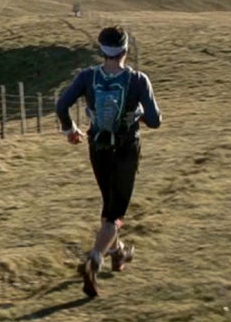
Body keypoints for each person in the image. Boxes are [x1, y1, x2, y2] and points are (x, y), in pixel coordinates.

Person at [55, 25, 161, 297]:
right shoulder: (138, 80)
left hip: (98, 148)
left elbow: (61, 105)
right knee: (114, 215)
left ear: (101, 50)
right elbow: (156, 121)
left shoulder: (87, 77)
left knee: (108, 205)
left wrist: (70, 130)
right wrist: (137, 116)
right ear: (125, 50)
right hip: (126, 150)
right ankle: (94, 261)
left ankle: (119, 253)